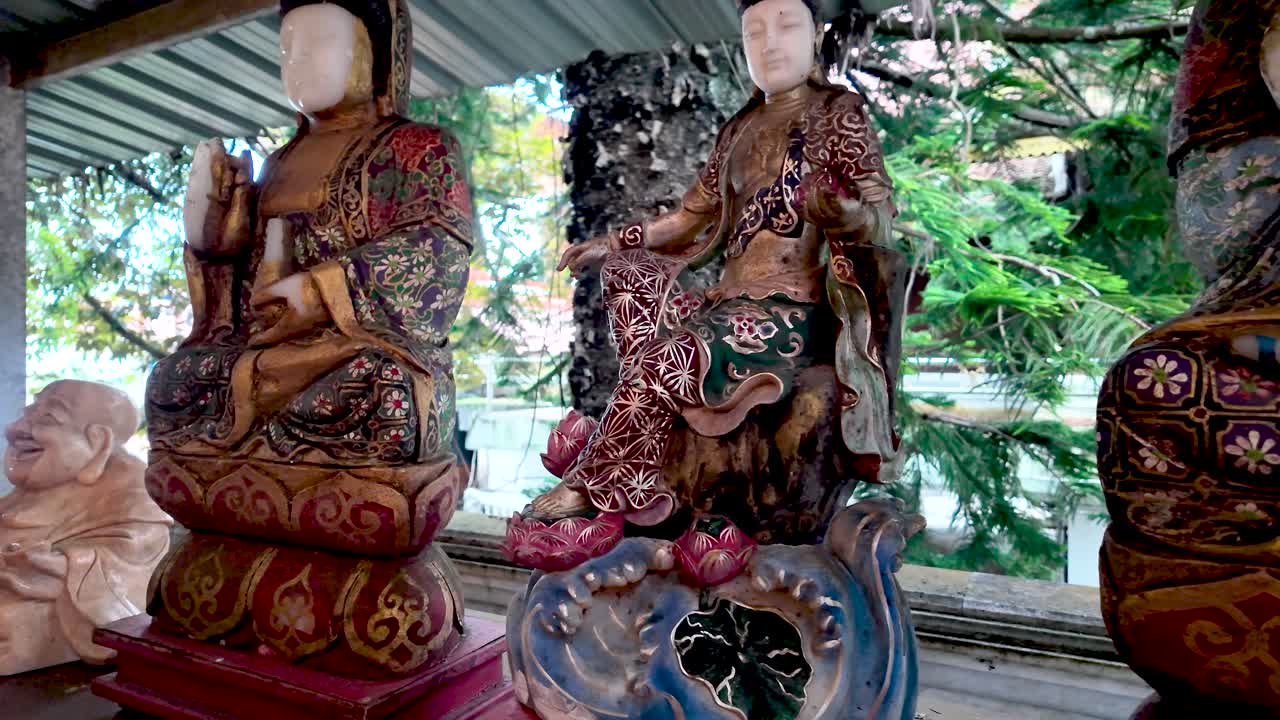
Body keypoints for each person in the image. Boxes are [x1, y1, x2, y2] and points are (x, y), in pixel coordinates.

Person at [530, 0, 904, 526]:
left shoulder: (837, 112)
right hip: (727, 304)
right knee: (633, 288)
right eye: (754, 32)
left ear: (815, 35)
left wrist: (843, 212)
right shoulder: (739, 128)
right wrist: (614, 242)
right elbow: (688, 217)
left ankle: (602, 482)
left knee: (670, 359)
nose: (770, 42)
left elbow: (881, 210)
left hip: (789, 313)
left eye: (786, 26)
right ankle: (649, 465)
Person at [0, 381, 171, 675]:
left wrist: (61, 565)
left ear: (98, 441)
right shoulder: (32, 489)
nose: (15, 429)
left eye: (47, 419)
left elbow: (129, 576)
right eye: (27, 414)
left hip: (59, 612)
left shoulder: (133, 494)